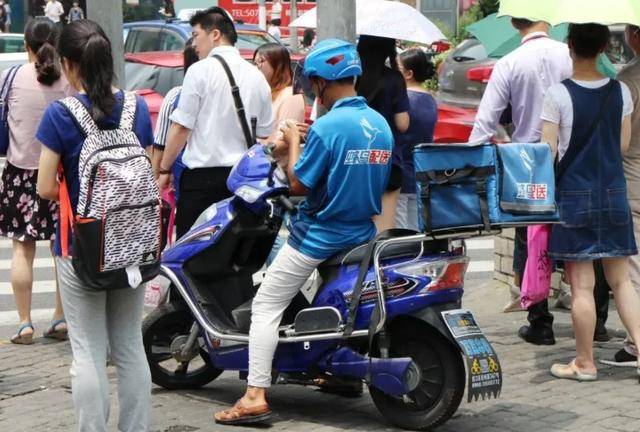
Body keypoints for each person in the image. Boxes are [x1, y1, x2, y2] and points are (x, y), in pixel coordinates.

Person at [214, 38, 393, 425]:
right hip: (360, 232)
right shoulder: (378, 124)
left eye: (314, 82)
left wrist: (293, 139)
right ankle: (338, 375)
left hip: (320, 235)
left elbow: (298, 185)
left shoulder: (329, 127)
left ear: (321, 83)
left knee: (266, 305)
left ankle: (255, 394)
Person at [36, 20, 154, 430]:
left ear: (69, 64)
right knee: (129, 346)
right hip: (133, 246)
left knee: (86, 352)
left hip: (79, 246)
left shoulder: (60, 115)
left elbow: (44, 185)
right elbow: (150, 175)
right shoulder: (138, 108)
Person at [540, 23, 640, 381]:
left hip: (574, 197)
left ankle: (584, 363)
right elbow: (622, 147)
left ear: (570, 46)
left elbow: (547, 154)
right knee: (621, 282)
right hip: (613, 193)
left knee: (581, 285)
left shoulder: (557, 94)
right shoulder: (620, 92)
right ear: (602, 48)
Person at [469, 18, 573, 344]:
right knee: (579, 233)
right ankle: (594, 319)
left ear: (514, 22)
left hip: (528, 163)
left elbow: (485, 123)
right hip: (572, 159)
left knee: (530, 239)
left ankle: (540, 322)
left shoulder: (509, 62)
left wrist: (469, 163)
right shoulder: (570, 55)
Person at [157, 7, 274, 238]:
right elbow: (264, 131)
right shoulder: (256, 75)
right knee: (232, 255)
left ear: (216, 34)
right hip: (242, 181)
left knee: (193, 256)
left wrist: (164, 167)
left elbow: (181, 127)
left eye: (195, 35)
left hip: (201, 183)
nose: (193, 44)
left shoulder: (199, 71)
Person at [0, 18, 69, 344]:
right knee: (61, 249)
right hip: (59, 174)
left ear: (26, 44)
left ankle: (25, 323)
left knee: (21, 249)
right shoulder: (68, 78)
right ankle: (59, 317)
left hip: (19, 173)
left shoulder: (11, 77)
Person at [602, 24, 640, 367]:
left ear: (635, 36)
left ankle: (635, 342)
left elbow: (618, 140)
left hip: (634, 178)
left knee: (634, 265)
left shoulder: (627, 81)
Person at [356, 35, 410, 233]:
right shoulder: (394, 79)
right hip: (388, 158)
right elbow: (402, 124)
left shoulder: (353, 77)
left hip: (357, 157)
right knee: (384, 228)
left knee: (357, 223)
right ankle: (378, 263)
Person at [395, 48, 437, 231]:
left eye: (397, 68)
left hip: (401, 175)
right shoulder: (431, 99)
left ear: (408, 74)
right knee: (415, 231)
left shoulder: (405, 100)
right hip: (420, 174)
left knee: (400, 236)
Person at [151, 38, 198, 199]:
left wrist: (160, 173)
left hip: (183, 180)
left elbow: (160, 146)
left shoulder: (175, 96)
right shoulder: (226, 94)